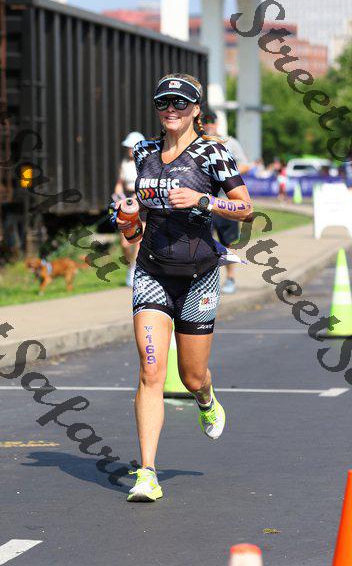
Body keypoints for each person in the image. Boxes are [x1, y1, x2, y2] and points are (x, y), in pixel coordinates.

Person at [109, 73, 253, 502]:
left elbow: (246, 208)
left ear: (195, 109)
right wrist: (127, 220)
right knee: (151, 371)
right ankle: (147, 473)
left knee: (191, 376)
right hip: (152, 272)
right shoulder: (144, 152)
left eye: (180, 102)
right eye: (163, 102)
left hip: (199, 276)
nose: (170, 109)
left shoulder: (213, 152)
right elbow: (138, 220)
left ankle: (206, 397)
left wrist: (203, 200)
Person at [202, 110, 252, 294]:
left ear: (217, 124)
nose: (209, 125)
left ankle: (230, 278)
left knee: (228, 242)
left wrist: (225, 173)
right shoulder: (197, 143)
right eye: (206, 122)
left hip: (226, 202)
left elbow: (245, 165)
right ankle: (205, 282)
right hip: (204, 203)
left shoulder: (229, 143)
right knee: (203, 243)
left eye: (212, 122)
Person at [113, 131, 145, 287]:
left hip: (141, 203)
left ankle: (136, 271)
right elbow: (119, 183)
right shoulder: (124, 163)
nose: (129, 150)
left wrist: (137, 195)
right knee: (125, 243)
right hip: (126, 203)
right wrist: (117, 195)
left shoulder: (145, 163)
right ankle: (131, 266)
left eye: (131, 147)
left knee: (138, 240)